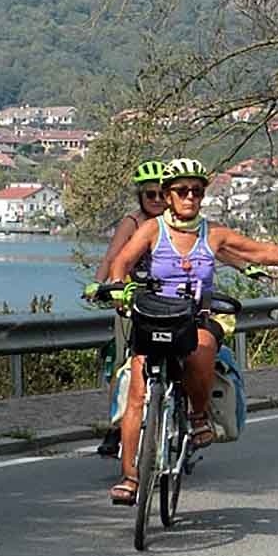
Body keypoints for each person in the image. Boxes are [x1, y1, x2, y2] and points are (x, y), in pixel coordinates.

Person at [105, 158, 278, 505]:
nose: (190, 197)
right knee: (136, 393)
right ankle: (131, 477)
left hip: (196, 316)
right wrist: (118, 287)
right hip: (155, 315)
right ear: (167, 196)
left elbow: (261, 250)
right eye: (181, 191)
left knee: (203, 346)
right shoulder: (151, 231)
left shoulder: (214, 233)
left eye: (197, 191)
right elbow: (123, 261)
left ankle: (197, 415)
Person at [85, 159, 168, 458]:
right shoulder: (132, 223)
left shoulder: (177, 223)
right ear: (140, 197)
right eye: (150, 195)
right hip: (132, 301)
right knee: (124, 363)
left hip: (169, 300)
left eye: (162, 193)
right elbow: (112, 257)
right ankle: (116, 428)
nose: (157, 200)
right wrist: (100, 284)